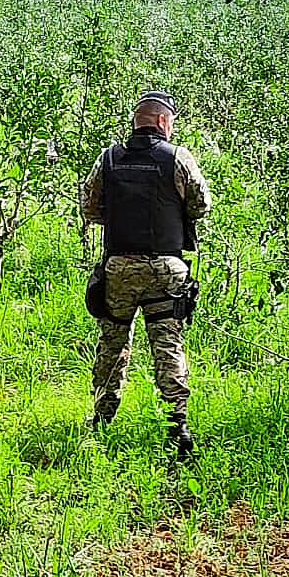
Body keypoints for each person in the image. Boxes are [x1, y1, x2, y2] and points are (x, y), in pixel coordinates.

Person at [80, 90, 211, 458]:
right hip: (165, 268)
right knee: (168, 345)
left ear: (138, 120)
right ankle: (178, 427)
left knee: (113, 342)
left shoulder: (108, 159)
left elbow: (89, 208)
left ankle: (102, 420)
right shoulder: (178, 158)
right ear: (162, 122)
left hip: (119, 267)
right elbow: (201, 205)